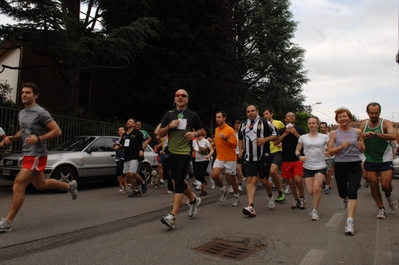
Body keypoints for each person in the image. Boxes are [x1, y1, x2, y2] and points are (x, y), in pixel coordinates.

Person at [0, 82, 77, 233]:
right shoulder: (22, 113)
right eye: (23, 92)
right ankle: (69, 186)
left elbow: (57, 131)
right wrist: (13, 138)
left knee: (18, 184)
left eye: (28, 92)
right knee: (40, 185)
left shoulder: (41, 112)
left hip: (36, 153)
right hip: (27, 152)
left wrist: (38, 139)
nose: (24, 94)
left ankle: (7, 222)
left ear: (35, 95)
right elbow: (24, 130)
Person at [158, 89, 203, 229]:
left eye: (183, 96)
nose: (180, 97)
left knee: (178, 182)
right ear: (174, 98)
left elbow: (202, 131)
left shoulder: (192, 115)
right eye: (178, 95)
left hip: (185, 152)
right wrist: (169, 126)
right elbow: (159, 132)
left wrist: (194, 133)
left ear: (187, 99)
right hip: (171, 152)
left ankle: (172, 217)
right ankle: (193, 199)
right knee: (175, 178)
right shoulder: (169, 114)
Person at [327, 107, 365, 235]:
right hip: (340, 165)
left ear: (349, 118)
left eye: (344, 116)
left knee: (353, 191)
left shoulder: (358, 132)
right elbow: (329, 151)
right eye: (340, 117)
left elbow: (362, 148)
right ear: (337, 120)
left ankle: (350, 221)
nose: (342, 118)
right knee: (342, 192)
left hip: (354, 164)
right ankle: (344, 198)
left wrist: (361, 147)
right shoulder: (334, 133)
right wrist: (340, 147)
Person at [359, 102, 398, 219]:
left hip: (384, 159)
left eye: (376, 113)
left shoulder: (385, 123)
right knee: (374, 184)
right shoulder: (363, 124)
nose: (374, 115)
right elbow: (357, 137)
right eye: (371, 113)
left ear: (379, 112)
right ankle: (381, 208)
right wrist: (363, 135)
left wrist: (377, 134)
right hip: (369, 158)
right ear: (368, 113)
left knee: (386, 185)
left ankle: (388, 194)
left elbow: (393, 136)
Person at [239, 105, 278, 217]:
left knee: (264, 180)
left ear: (257, 111)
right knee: (251, 179)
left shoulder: (264, 122)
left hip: (263, 156)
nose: (250, 113)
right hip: (249, 157)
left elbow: (276, 135)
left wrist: (265, 139)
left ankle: (270, 195)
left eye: (252, 111)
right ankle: (251, 206)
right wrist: (240, 149)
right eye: (248, 111)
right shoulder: (243, 124)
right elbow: (241, 137)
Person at [296, 116, 329, 221]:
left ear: (318, 125)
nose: (311, 125)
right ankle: (315, 201)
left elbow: (331, 148)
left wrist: (328, 151)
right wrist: (299, 157)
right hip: (308, 166)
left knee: (316, 189)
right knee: (310, 191)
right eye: (310, 123)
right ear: (308, 125)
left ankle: (315, 211)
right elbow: (297, 151)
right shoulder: (303, 137)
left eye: (314, 123)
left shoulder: (324, 137)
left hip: (320, 165)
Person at [273, 112, 306, 210]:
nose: (291, 117)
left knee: (298, 180)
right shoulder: (282, 130)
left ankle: (302, 197)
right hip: (286, 159)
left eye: (293, 116)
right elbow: (276, 142)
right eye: (289, 116)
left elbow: (305, 141)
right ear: (285, 119)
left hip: (297, 158)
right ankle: (296, 199)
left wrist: (295, 133)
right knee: (291, 182)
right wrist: (286, 133)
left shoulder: (300, 129)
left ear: (294, 119)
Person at [211, 111, 240, 206]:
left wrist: (226, 139)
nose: (217, 119)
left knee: (232, 180)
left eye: (219, 117)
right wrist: (213, 143)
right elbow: (218, 142)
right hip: (219, 157)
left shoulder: (230, 130)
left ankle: (236, 197)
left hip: (230, 158)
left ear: (224, 118)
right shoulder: (216, 129)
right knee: (214, 175)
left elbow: (235, 144)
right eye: (216, 117)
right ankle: (223, 190)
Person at [263, 107, 286, 202]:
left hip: (277, 150)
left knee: (273, 171)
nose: (265, 116)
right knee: (269, 173)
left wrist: (282, 143)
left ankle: (281, 191)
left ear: (272, 114)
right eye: (264, 114)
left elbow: (285, 135)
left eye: (267, 113)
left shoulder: (278, 123)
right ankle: (280, 188)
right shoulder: (262, 125)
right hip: (267, 151)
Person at [120, 118, 147, 197]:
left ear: (134, 124)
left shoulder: (137, 132)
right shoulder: (125, 134)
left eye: (130, 121)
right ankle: (136, 190)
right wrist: (116, 145)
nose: (128, 122)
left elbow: (147, 139)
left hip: (135, 156)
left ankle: (143, 182)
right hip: (127, 156)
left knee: (132, 173)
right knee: (127, 175)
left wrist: (142, 149)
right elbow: (122, 145)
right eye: (127, 121)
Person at [192, 131, 214, 196]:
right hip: (197, 160)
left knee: (201, 174)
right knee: (196, 174)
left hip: (204, 159)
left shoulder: (205, 141)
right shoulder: (194, 141)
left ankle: (204, 190)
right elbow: (193, 150)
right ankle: (204, 182)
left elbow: (212, 150)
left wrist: (208, 155)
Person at [113, 126, 129, 193]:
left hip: (123, 156)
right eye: (119, 130)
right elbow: (115, 147)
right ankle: (122, 185)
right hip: (117, 156)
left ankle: (125, 185)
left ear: (124, 131)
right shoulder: (116, 139)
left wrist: (118, 145)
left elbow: (125, 147)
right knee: (119, 172)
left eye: (122, 130)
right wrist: (116, 145)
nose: (120, 131)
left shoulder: (126, 138)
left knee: (120, 170)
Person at [320, 122, 333, 194]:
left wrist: (330, 150)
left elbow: (334, 145)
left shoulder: (330, 135)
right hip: (320, 157)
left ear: (326, 128)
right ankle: (325, 182)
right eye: (321, 128)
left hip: (329, 156)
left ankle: (327, 186)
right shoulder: (318, 135)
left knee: (328, 172)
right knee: (323, 173)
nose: (322, 129)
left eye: (324, 127)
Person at [234, 120, 244, 191]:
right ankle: (238, 179)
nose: (237, 125)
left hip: (239, 152)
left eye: (238, 124)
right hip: (232, 153)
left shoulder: (243, 133)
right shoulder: (231, 133)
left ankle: (240, 184)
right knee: (233, 170)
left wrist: (242, 150)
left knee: (238, 168)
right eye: (236, 124)